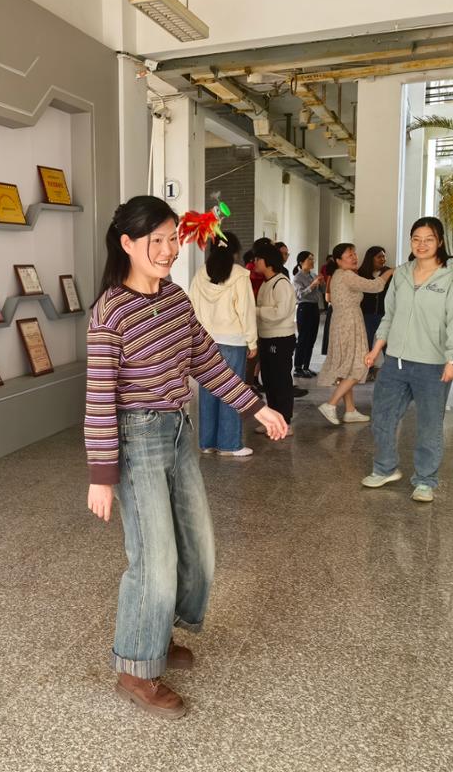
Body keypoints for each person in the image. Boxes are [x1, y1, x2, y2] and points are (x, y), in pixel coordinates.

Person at [85, 196, 287, 719]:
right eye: (156, 240)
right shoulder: (110, 312)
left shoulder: (174, 298)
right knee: (154, 560)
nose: (169, 249)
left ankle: (157, 632)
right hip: (135, 440)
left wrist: (256, 407)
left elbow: (206, 362)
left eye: (173, 238)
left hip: (178, 431)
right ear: (127, 244)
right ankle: (136, 668)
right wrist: (101, 475)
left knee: (199, 549)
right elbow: (100, 398)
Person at [362, 217, 453, 503]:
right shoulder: (401, 274)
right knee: (382, 418)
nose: (422, 245)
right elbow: (390, 315)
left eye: (429, 239)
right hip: (395, 361)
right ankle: (385, 468)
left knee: (429, 425)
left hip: (433, 364)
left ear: (440, 242)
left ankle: (425, 480)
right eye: (416, 239)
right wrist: (376, 349)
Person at [188, 231, 259, 456]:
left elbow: (191, 309)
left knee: (208, 390)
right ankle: (229, 444)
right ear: (235, 251)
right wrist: (252, 341)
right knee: (232, 390)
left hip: (205, 341)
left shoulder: (200, 274)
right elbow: (245, 311)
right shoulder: (240, 275)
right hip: (232, 341)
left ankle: (207, 442)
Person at [316, 243, 393, 425]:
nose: (354, 257)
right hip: (349, 323)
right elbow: (375, 286)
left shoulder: (339, 274)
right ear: (338, 260)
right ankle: (331, 404)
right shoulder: (347, 275)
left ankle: (350, 411)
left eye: (354, 254)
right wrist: (390, 272)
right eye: (349, 255)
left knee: (347, 368)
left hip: (342, 322)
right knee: (360, 365)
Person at [253, 243, 297, 434]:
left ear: (268, 261)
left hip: (280, 338)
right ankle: (274, 421)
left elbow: (280, 312)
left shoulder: (281, 283)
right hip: (266, 337)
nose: (255, 262)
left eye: (258, 259)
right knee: (269, 381)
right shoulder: (266, 283)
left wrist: (256, 311)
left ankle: (285, 421)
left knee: (281, 381)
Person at [292, 251, 323, 377]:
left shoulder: (313, 274)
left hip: (314, 307)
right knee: (303, 338)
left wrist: (321, 283)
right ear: (301, 262)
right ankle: (298, 368)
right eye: (309, 259)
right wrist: (313, 285)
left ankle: (306, 366)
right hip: (304, 308)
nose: (312, 261)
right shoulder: (297, 277)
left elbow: (320, 292)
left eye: (313, 259)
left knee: (311, 338)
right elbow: (299, 295)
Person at [358, 246, 390, 350]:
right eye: (379, 257)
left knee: (387, 346)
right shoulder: (361, 273)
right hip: (366, 315)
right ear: (371, 258)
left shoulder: (389, 273)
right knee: (365, 345)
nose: (383, 259)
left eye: (384, 257)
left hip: (384, 315)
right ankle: (366, 362)